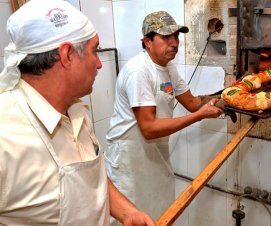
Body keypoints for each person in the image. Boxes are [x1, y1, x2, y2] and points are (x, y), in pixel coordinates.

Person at [0, 0, 155, 225]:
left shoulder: (76, 110)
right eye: (94, 51)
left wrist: (128, 213)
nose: (100, 64)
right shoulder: (6, 135)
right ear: (67, 55)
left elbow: (92, 178)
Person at [104, 11, 225, 223]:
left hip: (154, 154)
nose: (174, 43)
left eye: (176, 36)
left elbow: (193, 103)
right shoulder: (139, 71)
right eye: (166, 37)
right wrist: (199, 116)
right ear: (147, 41)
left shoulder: (168, 68)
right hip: (129, 158)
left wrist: (228, 98)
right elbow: (149, 128)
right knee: (131, 215)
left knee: (157, 212)